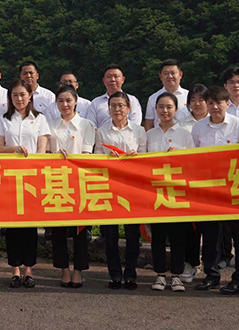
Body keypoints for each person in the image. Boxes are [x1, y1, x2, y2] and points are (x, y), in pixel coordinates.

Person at [190, 85, 239, 294]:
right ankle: (211, 276)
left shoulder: (238, 125)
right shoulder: (198, 128)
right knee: (210, 235)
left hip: (234, 188)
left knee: (238, 235)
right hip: (208, 189)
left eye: (219, 103)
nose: (215, 107)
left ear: (227, 103)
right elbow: (192, 158)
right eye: (210, 103)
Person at [0, 80, 50, 289]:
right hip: (10, 178)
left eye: (22, 95)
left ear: (30, 96)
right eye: (15, 95)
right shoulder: (3, 119)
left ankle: (29, 269)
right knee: (12, 227)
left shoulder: (40, 119)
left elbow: (42, 150)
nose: (19, 99)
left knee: (29, 227)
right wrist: (15, 149)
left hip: (32, 178)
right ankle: (15, 270)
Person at [95, 91, 147, 289]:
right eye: (113, 106)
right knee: (111, 235)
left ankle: (131, 274)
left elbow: (146, 157)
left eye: (121, 105)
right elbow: (96, 158)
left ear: (128, 108)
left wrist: (136, 156)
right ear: (108, 109)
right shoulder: (102, 132)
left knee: (132, 235)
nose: (117, 109)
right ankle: (115, 274)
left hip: (132, 188)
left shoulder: (139, 131)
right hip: (109, 188)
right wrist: (107, 158)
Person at [146, 92, 194, 293]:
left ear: (176, 109)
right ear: (155, 110)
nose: (164, 111)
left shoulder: (185, 134)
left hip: (177, 193)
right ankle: (159, 275)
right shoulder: (149, 135)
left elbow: (193, 162)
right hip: (156, 192)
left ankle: (176, 275)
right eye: (161, 107)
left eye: (169, 107)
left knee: (178, 236)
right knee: (158, 236)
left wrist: (179, 157)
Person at [47, 85, 94, 288]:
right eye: (60, 101)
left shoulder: (86, 125)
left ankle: (78, 271)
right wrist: (55, 156)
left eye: (68, 100)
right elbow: (45, 154)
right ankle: (64, 269)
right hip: (56, 183)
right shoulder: (50, 125)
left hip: (79, 183)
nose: (65, 104)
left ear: (76, 102)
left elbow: (87, 154)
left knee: (80, 232)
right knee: (58, 232)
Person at [177, 83, 208, 283]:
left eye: (201, 99)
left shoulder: (216, 121)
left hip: (211, 182)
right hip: (188, 181)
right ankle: (191, 262)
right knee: (190, 225)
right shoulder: (181, 124)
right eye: (193, 100)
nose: (197, 103)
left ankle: (213, 264)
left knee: (212, 226)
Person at [144, 59, 189, 131]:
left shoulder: (189, 96)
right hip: (160, 137)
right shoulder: (153, 98)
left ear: (180, 75)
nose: (170, 76)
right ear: (160, 76)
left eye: (173, 73)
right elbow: (149, 124)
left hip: (185, 137)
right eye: (166, 73)